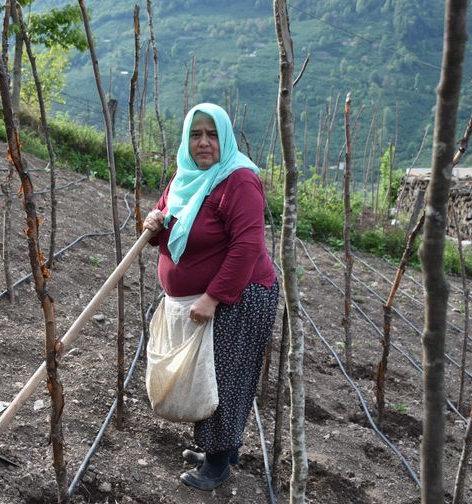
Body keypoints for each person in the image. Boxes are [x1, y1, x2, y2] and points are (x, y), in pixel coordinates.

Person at [143, 103, 279, 491]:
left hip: (242, 295)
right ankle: (217, 447)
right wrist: (153, 223)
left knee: (223, 376)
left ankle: (218, 464)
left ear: (226, 137)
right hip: (206, 297)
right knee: (209, 373)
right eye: (196, 134)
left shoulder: (239, 181)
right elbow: (165, 220)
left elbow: (247, 247)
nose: (204, 142)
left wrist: (214, 297)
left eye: (212, 134)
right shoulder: (185, 177)